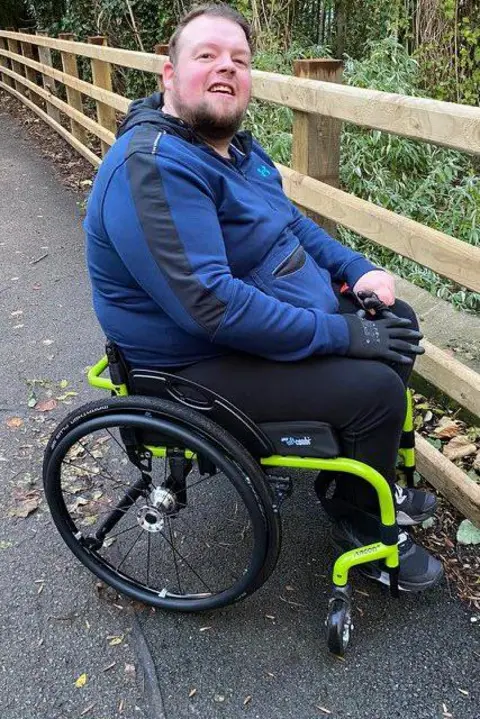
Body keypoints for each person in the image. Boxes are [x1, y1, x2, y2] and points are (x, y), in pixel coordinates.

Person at [84, 3, 443, 591]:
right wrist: (344, 334)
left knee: (394, 318)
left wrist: (356, 270)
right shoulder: (151, 169)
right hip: (190, 363)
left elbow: (290, 225)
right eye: (206, 55)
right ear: (168, 74)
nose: (226, 68)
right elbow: (213, 307)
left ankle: (356, 483)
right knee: (376, 386)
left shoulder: (235, 151)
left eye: (239, 60)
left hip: (248, 322)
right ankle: (362, 525)